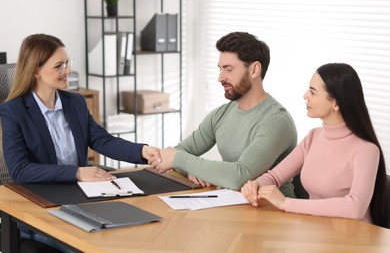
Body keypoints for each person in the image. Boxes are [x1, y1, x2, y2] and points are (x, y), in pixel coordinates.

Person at [0, 34, 162, 251]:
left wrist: (142, 151)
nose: (67, 71)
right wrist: (77, 172)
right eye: (59, 66)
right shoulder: (14, 110)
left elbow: (102, 140)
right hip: (41, 204)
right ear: (36, 70)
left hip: (81, 197)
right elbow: (20, 170)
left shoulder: (75, 102)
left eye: (67, 63)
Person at [241, 63, 387, 227]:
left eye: (313, 92)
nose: (305, 96)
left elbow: (355, 208)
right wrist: (255, 185)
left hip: (353, 238)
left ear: (335, 104)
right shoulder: (314, 137)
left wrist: (285, 203)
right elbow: (275, 177)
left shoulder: (366, 150)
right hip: (315, 230)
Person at [151, 32, 297, 194]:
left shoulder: (276, 120)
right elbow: (178, 152)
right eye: (220, 69)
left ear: (255, 70)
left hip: (274, 212)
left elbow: (239, 176)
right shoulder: (221, 114)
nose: (220, 78)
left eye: (228, 69)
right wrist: (191, 169)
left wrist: (183, 162)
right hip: (234, 205)